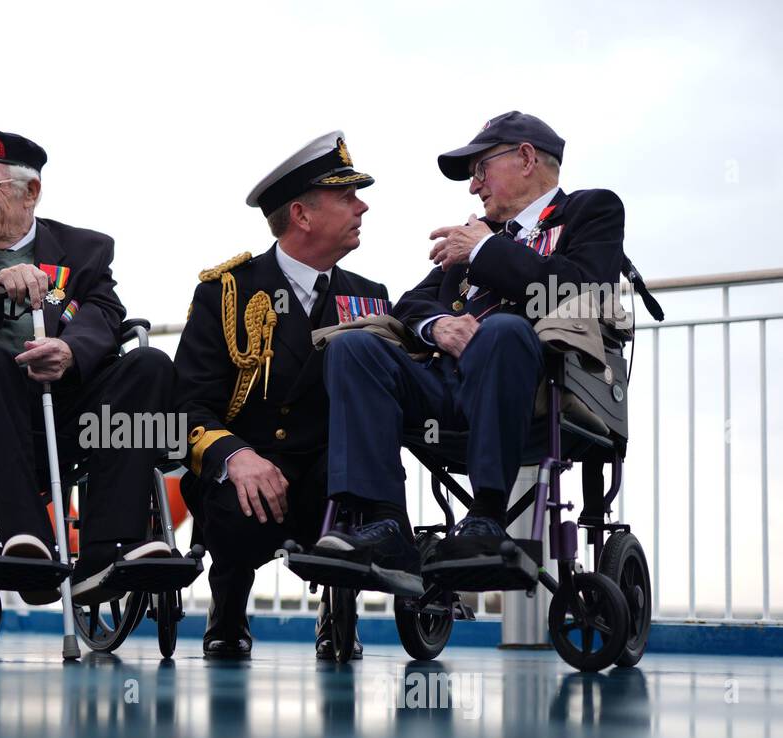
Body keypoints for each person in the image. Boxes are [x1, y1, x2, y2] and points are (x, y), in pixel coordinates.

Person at [320, 111, 625, 571]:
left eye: (480, 169)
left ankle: (486, 517)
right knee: (353, 347)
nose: (472, 186)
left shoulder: (589, 211)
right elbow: (409, 305)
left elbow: (581, 289)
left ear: (525, 158)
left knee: (503, 330)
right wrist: (438, 326)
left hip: (537, 393)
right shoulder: (476, 235)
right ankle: (383, 522)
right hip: (447, 388)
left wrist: (485, 251)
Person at [0, 130, 176, 606]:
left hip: (71, 406)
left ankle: (108, 549)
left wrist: (70, 352)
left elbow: (105, 312)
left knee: (149, 364)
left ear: (31, 192)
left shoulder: (85, 249)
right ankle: (26, 539)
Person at [175, 131, 391, 659]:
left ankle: (340, 609)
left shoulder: (369, 298)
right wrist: (236, 456)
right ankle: (228, 608)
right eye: (346, 197)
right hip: (249, 467)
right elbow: (187, 404)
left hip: (327, 473)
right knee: (233, 494)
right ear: (302, 214)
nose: (362, 206)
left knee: (354, 486)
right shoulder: (226, 291)